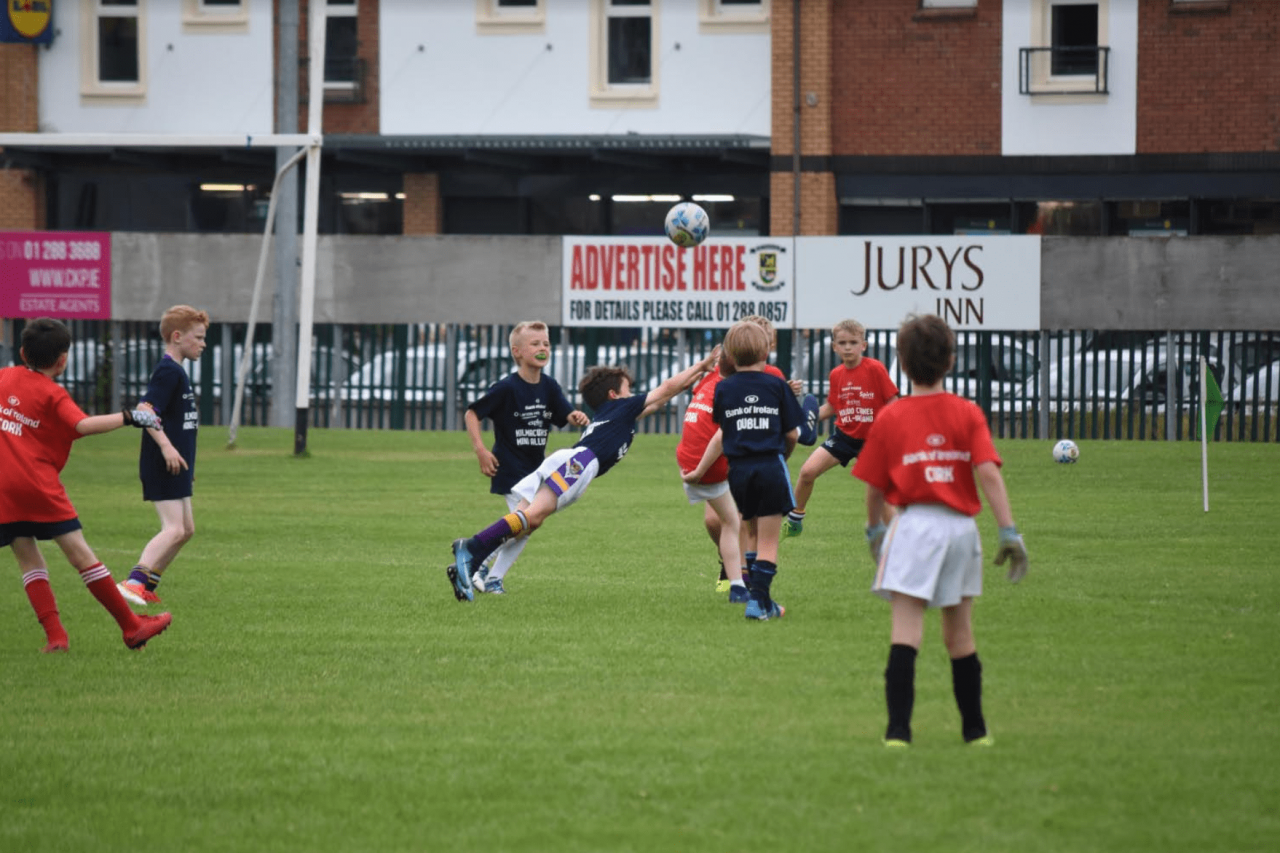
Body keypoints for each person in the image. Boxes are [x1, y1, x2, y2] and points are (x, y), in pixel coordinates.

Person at [851, 314, 1028, 747]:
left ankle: (897, 734)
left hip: (913, 528)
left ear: (902, 364)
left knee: (906, 633)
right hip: (962, 531)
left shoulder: (890, 417)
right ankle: (975, 732)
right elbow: (988, 472)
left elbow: (875, 489)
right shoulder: (967, 412)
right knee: (960, 635)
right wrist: (1008, 531)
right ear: (951, 360)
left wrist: (874, 530)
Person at [446, 346, 722, 602]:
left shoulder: (614, 413)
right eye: (628, 389)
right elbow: (663, 389)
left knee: (531, 521)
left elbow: (662, 399)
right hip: (579, 463)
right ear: (614, 395)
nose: (633, 394)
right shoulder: (621, 407)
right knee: (532, 517)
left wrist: (699, 375)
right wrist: (703, 363)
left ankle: (471, 567)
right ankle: (472, 548)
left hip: (570, 460)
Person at [1, 317, 173, 652]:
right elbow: (82, 425)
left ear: (22, 352)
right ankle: (132, 626)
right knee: (81, 556)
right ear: (63, 359)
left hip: (3, 490)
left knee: (28, 560)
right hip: (37, 485)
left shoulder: (4, 377)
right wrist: (130, 416)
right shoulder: (53, 393)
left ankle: (56, 637)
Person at [678, 315, 817, 599]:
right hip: (754, 460)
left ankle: (741, 581)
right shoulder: (745, 384)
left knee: (742, 525)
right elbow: (790, 434)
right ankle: (752, 590)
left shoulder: (747, 383)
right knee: (744, 531)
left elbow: (726, 433)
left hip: (742, 462)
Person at [463, 321, 589, 595]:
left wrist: (574, 416)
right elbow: (472, 414)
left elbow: (563, 414)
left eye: (546, 343)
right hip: (509, 468)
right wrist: (481, 451)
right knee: (525, 523)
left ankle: (486, 570)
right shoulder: (506, 388)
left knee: (525, 525)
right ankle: (487, 571)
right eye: (535, 344)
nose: (542, 348)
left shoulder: (549, 386)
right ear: (517, 351)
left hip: (536, 470)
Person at [118, 305, 209, 607]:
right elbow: (145, 411)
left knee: (186, 531)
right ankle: (133, 583)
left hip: (177, 466)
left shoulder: (178, 371)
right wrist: (167, 448)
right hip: (162, 464)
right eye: (198, 337)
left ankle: (148, 585)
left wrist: (185, 461)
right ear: (177, 336)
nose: (203, 343)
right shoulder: (169, 371)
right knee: (173, 529)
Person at [785, 318, 898, 539]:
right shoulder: (837, 374)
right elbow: (833, 406)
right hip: (844, 437)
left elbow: (892, 401)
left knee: (879, 492)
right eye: (843, 342)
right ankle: (794, 520)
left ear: (863, 345)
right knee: (807, 472)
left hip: (873, 442)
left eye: (853, 342)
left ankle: (895, 537)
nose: (848, 347)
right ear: (834, 346)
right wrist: (806, 418)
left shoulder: (875, 369)